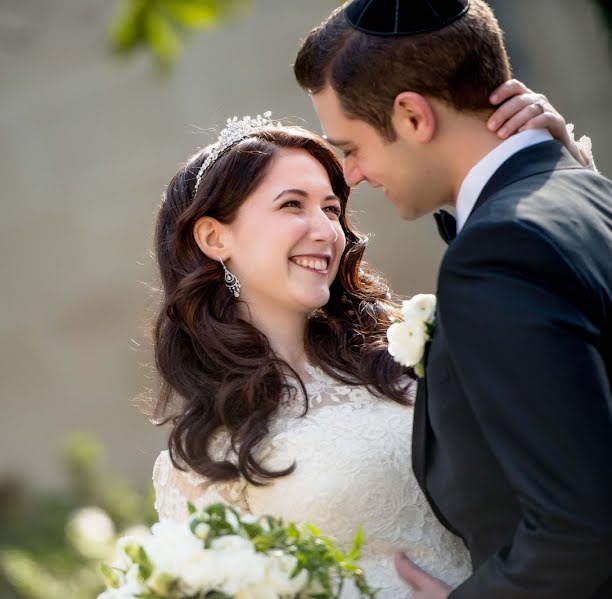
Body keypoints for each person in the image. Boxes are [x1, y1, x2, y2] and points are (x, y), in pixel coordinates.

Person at [150, 95, 592, 598]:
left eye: (332, 209)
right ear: (213, 237)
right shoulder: (204, 456)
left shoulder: (413, 349)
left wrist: (562, 177)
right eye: (292, 204)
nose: (327, 231)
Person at [293, 0, 612, 597]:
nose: (353, 175)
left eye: (352, 146)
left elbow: (581, 528)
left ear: (413, 116)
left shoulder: (499, 255)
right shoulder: (590, 193)